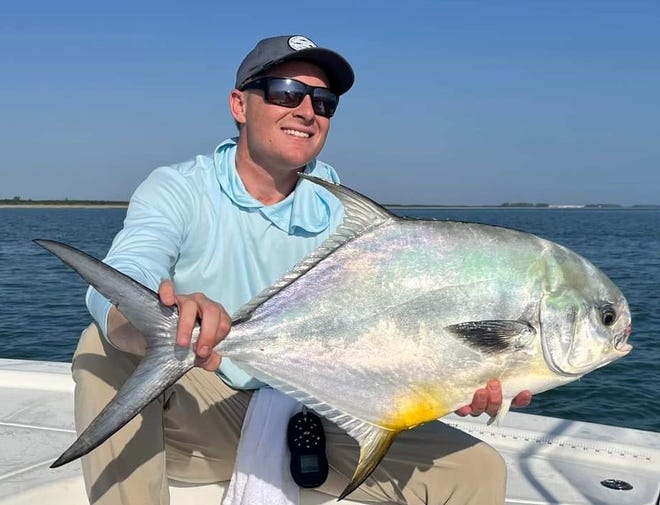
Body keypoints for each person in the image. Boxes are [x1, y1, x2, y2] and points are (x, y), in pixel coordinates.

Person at [73, 34, 532, 505]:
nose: (306, 110)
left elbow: (392, 331)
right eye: (285, 92)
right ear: (239, 104)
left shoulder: (348, 217)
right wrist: (167, 317)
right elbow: (130, 265)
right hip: (206, 415)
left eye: (324, 101)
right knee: (105, 343)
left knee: (475, 471)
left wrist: (458, 373)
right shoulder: (179, 189)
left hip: (316, 421)